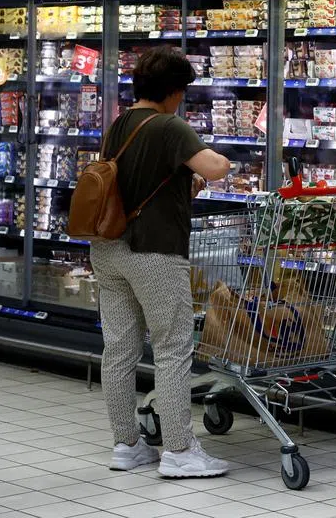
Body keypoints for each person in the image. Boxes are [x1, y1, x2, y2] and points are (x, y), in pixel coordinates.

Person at [92, 45, 232, 478]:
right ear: (173, 91)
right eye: (182, 91)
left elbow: (136, 184)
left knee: (119, 351)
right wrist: (222, 160)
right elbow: (215, 168)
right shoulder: (169, 125)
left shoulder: (119, 124)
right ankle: (179, 451)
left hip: (108, 249)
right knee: (172, 349)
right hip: (153, 253)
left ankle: (127, 445)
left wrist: (184, 188)